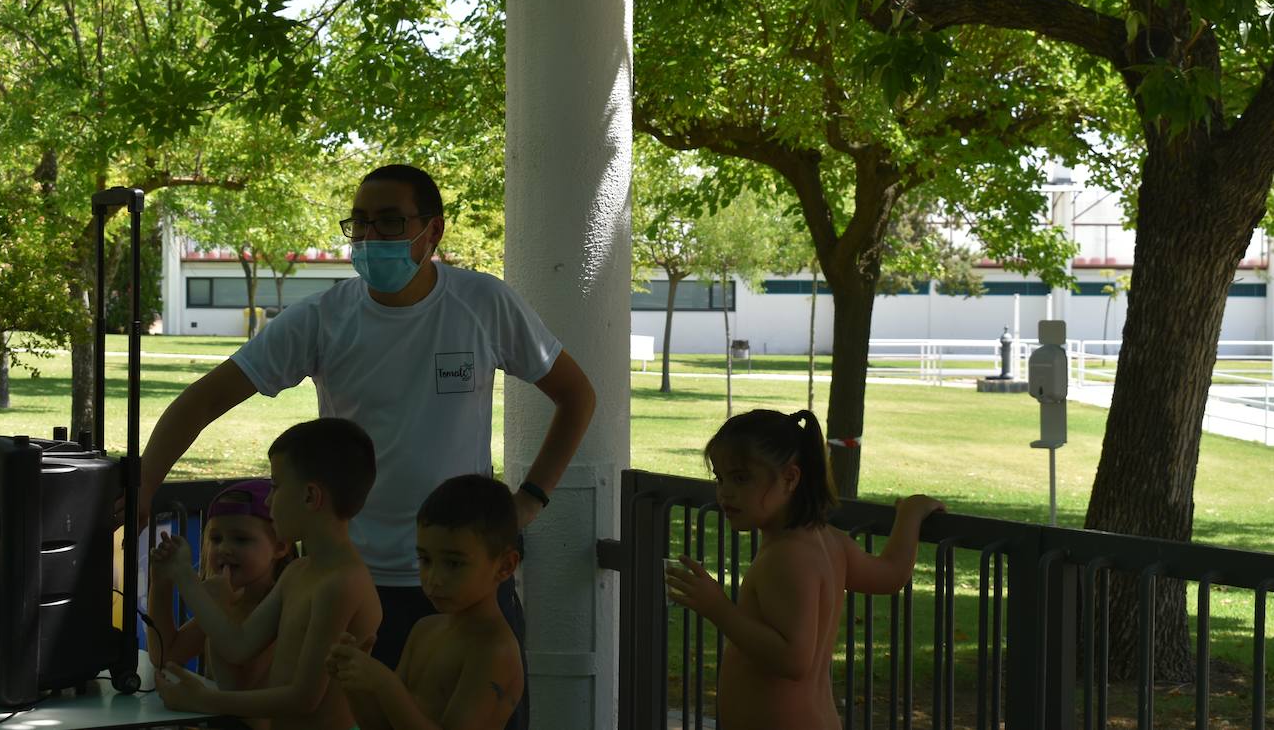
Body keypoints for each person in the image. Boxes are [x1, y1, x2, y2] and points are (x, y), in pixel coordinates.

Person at [137, 164, 596, 727]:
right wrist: (143, 488)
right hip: (356, 585)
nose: (371, 238)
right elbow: (202, 402)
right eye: (359, 224)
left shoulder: (483, 303)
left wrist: (531, 498)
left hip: (463, 584)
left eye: (389, 222)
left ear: (433, 232)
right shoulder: (324, 318)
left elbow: (576, 396)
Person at [664, 408, 946, 730]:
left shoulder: (786, 557)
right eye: (720, 477)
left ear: (790, 478)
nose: (725, 491)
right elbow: (891, 573)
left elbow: (793, 659)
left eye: (741, 478)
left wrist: (717, 607)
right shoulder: (828, 541)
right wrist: (910, 515)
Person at [152, 417, 383, 730]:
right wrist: (182, 576)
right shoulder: (299, 572)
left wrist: (204, 700)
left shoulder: (341, 584)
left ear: (310, 497)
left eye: (275, 486)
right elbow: (237, 644)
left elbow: (303, 699)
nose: (270, 500)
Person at [325, 474, 524, 730]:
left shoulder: (495, 651)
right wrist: (354, 684)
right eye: (425, 560)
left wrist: (386, 685)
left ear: (505, 566)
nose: (434, 579)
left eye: (454, 563)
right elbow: (381, 725)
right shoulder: (425, 629)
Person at [147, 479, 293, 705]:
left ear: (280, 547)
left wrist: (217, 609)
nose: (224, 548)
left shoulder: (279, 606)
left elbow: (236, 689)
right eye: (216, 539)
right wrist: (161, 583)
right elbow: (166, 656)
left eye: (241, 539)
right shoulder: (230, 596)